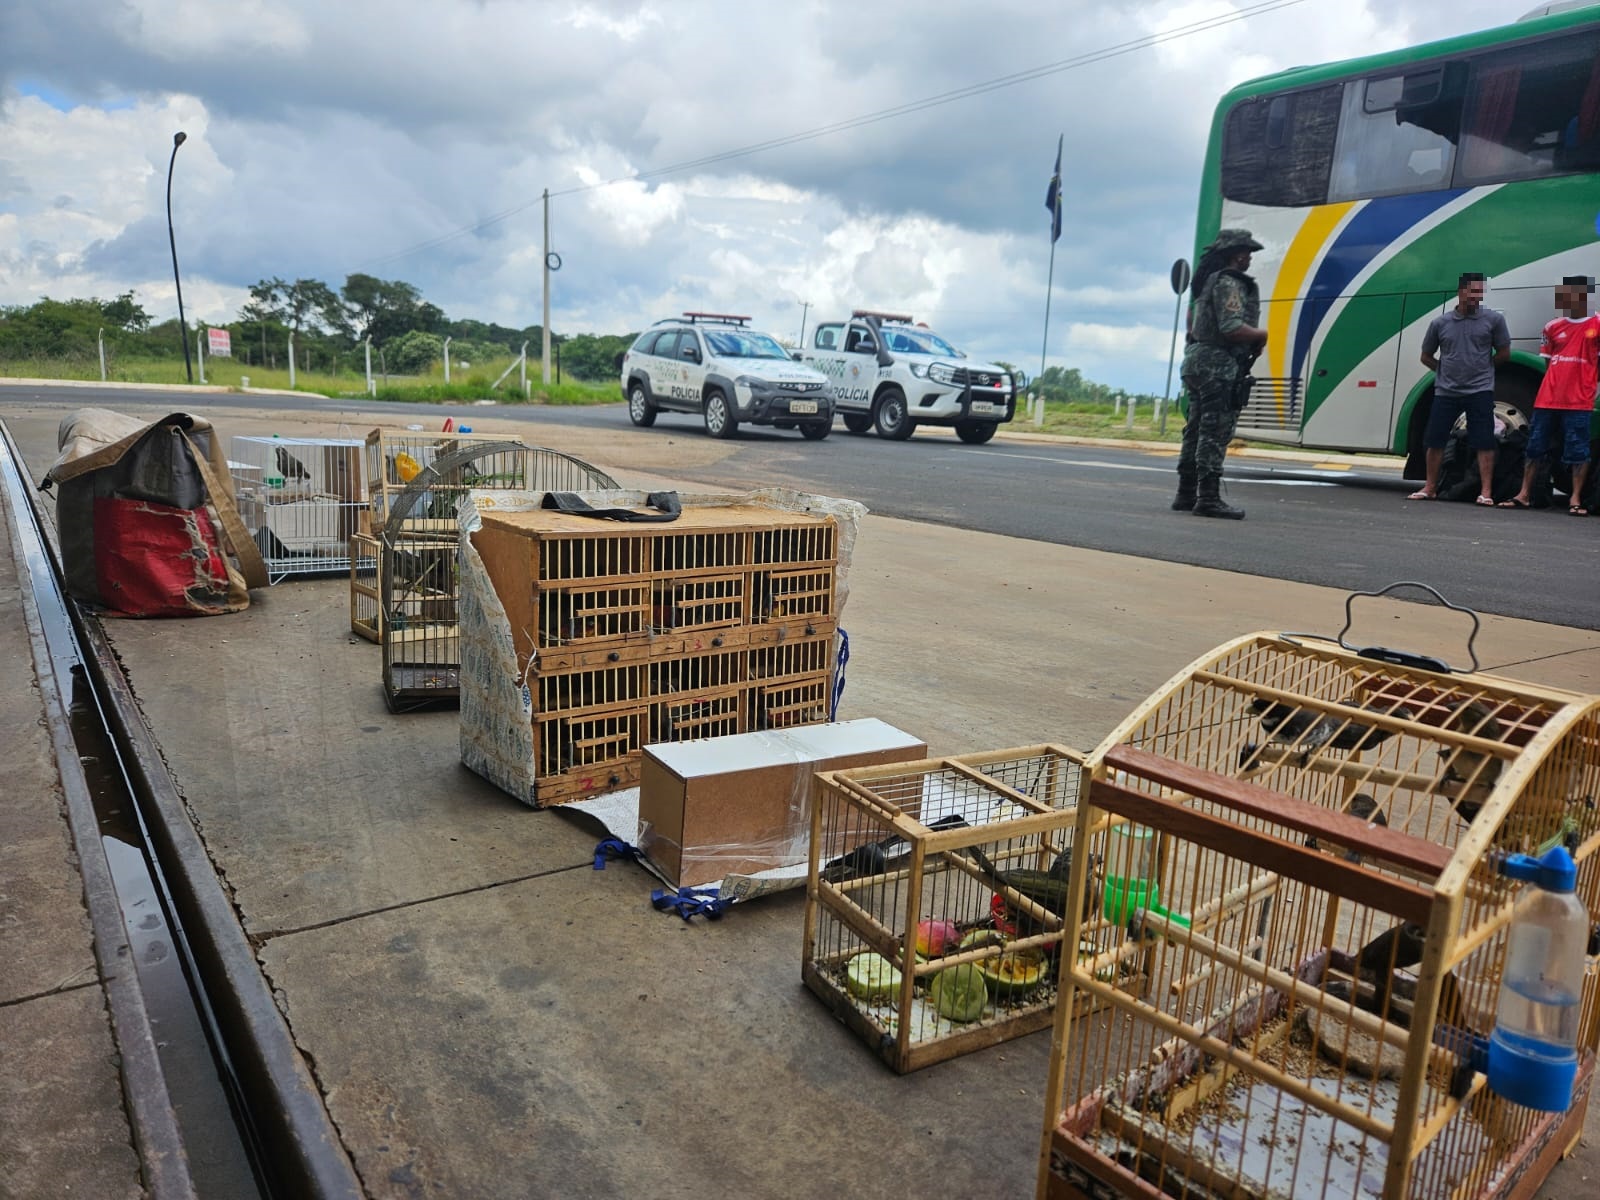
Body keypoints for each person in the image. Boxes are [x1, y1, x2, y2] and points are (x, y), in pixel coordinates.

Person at [1173, 229, 1269, 519]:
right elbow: (1232, 328)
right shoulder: (1229, 282)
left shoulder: (1206, 282)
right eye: (1248, 253)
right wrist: (1261, 334)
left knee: (1196, 428)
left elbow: (1192, 322)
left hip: (1196, 361)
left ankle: (1186, 493)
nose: (1250, 258)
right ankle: (1209, 499)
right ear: (1237, 254)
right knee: (1214, 430)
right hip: (1218, 366)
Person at [1499, 276, 1599, 514]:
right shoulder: (1552, 327)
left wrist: (1586, 385)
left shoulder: (1596, 325)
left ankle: (1575, 498)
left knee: (1578, 450)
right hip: (1547, 399)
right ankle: (1524, 494)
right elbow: (1548, 364)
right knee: (1535, 447)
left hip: (1578, 401)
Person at [1409, 273, 1511, 504]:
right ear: (1461, 291)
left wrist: (1484, 370)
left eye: (1479, 292)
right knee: (1435, 440)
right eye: (1472, 291)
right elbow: (1426, 356)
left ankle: (1485, 492)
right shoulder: (1440, 323)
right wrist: (1443, 372)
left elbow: (1504, 353)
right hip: (1446, 391)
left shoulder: (1493, 320)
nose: (1476, 297)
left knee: (1484, 440)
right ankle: (1430, 487)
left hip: (1480, 390)